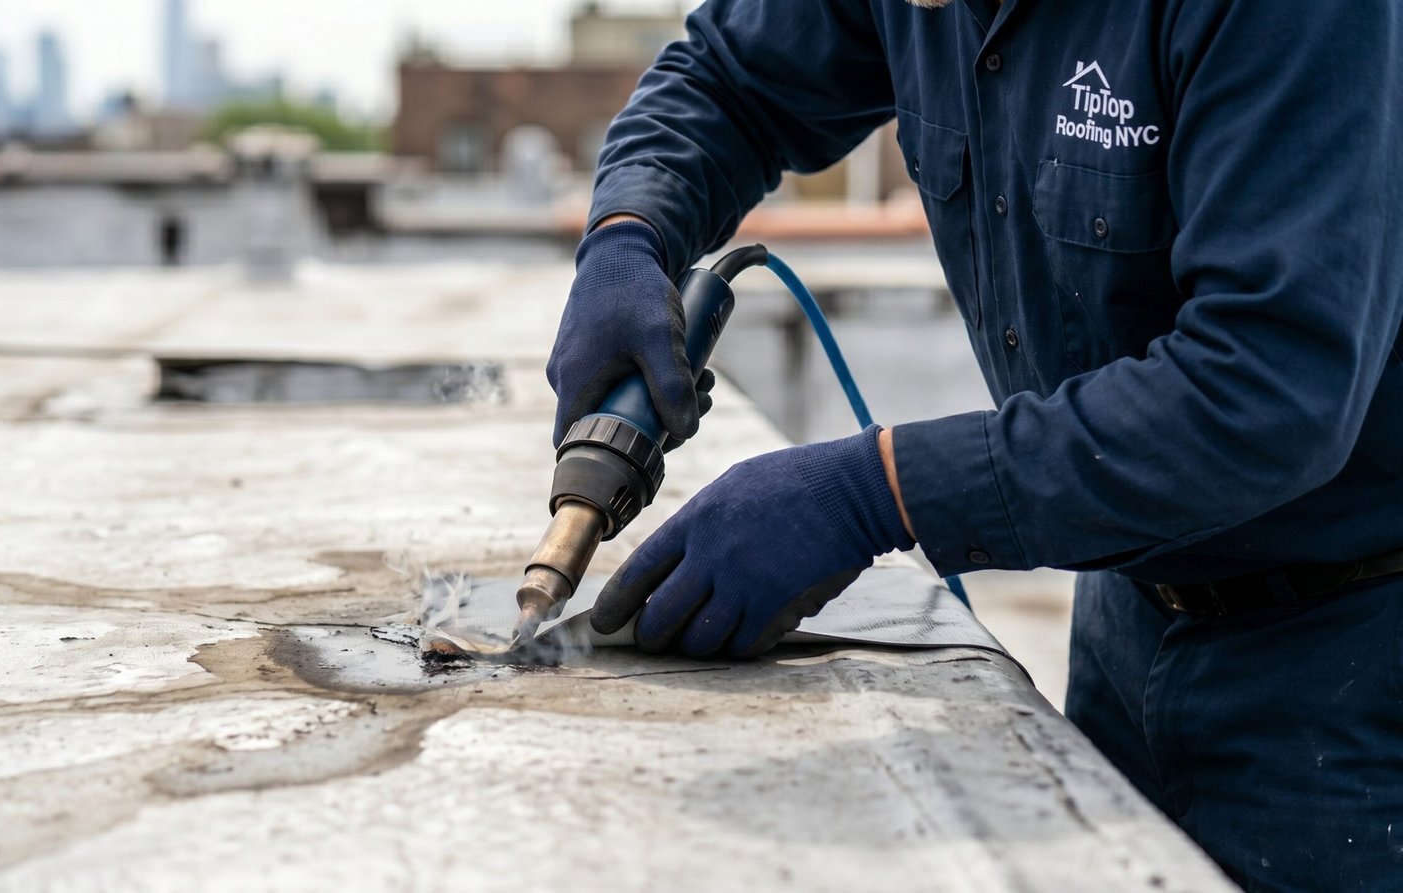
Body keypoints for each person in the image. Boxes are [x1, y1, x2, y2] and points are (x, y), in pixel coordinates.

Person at [544, 0, 1403, 889]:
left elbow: (1267, 388)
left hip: (1349, 685)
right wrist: (629, 233)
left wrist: (879, 490)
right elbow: (731, 80)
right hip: (1129, 625)